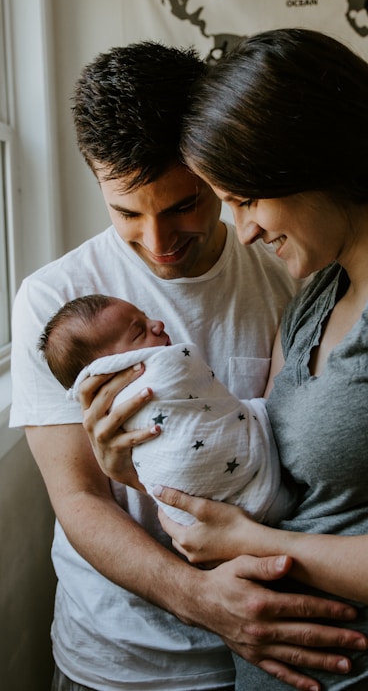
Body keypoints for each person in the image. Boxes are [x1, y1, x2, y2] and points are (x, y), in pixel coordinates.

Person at [9, 40, 367, 691]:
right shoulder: (56, 304)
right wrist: (200, 598)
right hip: (116, 657)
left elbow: (303, 463)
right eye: (125, 212)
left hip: (265, 649)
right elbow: (79, 499)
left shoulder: (293, 270)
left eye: (183, 204)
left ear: (212, 167)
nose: (157, 240)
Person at [150, 27, 368, 689]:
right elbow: (265, 464)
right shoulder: (316, 295)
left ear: (311, 161)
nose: (242, 229)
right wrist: (139, 460)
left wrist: (258, 546)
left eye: (246, 199)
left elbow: (263, 530)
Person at [39, 293, 295, 526]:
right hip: (182, 538)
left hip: (207, 522)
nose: (157, 323)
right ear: (112, 367)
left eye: (145, 316)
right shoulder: (45, 293)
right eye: (139, 332)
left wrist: (129, 474)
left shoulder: (280, 285)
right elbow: (78, 499)